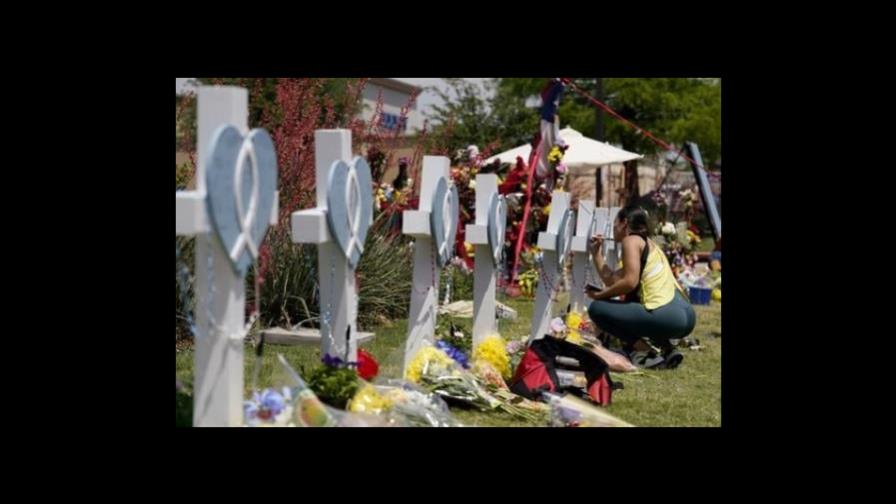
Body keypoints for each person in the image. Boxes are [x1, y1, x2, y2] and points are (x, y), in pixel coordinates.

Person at [586, 205, 696, 369]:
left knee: (597, 309)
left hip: (670, 316)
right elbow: (613, 280)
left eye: (615, 223)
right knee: (640, 309)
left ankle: (646, 352)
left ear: (624, 223)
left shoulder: (630, 241)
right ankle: (667, 349)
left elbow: (629, 282)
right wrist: (597, 254)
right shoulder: (648, 244)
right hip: (685, 315)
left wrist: (600, 295)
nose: (613, 228)